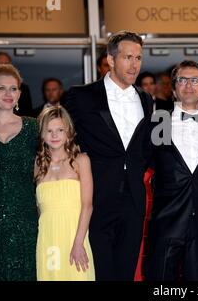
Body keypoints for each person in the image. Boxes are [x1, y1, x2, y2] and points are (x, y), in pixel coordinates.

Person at [66, 31, 154, 281]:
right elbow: (67, 143)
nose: (134, 64)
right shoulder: (80, 95)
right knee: (99, 272)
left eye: (138, 57)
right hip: (95, 198)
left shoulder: (146, 99)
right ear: (111, 60)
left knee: (126, 272)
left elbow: (145, 148)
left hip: (134, 202)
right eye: (128, 57)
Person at [146, 60, 198, 281]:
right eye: (182, 80)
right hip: (166, 224)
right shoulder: (156, 123)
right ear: (172, 89)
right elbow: (140, 164)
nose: (189, 85)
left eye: (195, 80)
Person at [0, 64, 38, 280]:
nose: (8, 94)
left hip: (25, 221)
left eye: (13, 89)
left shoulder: (35, 127)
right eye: (1, 88)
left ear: (20, 94)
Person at [34, 106, 95, 281]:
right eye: (49, 131)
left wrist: (78, 243)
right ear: (42, 135)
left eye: (60, 130)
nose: (54, 135)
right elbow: (39, 209)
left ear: (68, 132)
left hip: (74, 237)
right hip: (47, 240)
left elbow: (87, 205)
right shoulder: (37, 165)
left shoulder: (81, 161)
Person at [0, 52, 34, 116]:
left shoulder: (23, 88)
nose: (3, 67)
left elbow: (27, 113)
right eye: (0, 64)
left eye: (6, 64)